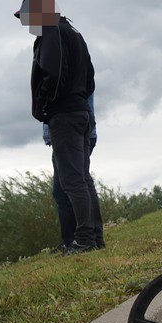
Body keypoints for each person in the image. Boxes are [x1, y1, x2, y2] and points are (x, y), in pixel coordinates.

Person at [16, 0, 103, 254]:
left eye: (27, 15)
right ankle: (94, 239)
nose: (26, 22)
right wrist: (78, 101)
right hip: (79, 112)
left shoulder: (51, 29)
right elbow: (90, 78)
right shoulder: (73, 31)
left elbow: (52, 73)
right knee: (81, 178)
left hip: (64, 114)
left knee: (73, 181)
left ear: (40, 11)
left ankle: (84, 240)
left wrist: (45, 105)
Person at [44, 94, 104, 253]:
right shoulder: (80, 70)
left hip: (71, 127)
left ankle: (84, 239)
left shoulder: (69, 70)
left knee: (75, 184)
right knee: (67, 187)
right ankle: (82, 239)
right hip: (79, 127)